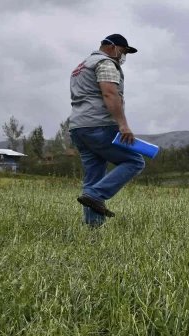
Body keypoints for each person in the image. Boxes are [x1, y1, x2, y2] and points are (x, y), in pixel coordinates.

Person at [68, 34, 145, 227]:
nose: (122, 57)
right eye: (123, 52)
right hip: (99, 124)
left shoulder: (81, 66)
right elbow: (109, 93)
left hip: (78, 127)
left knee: (93, 175)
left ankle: (93, 227)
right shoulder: (105, 63)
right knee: (134, 161)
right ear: (112, 47)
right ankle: (96, 194)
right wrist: (123, 124)